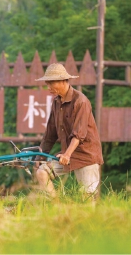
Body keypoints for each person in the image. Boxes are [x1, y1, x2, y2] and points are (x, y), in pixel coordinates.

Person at [34, 63, 104, 200]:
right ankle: (57, 208)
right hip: (66, 155)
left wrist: (67, 154)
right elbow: (50, 134)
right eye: (47, 84)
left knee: (87, 197)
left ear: (62, 81)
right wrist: (40, 157)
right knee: (42, 173)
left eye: (51, 84)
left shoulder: (81, 101)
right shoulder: (56, 102)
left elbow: (80, 133)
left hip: (86, 156)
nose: (48, 88)